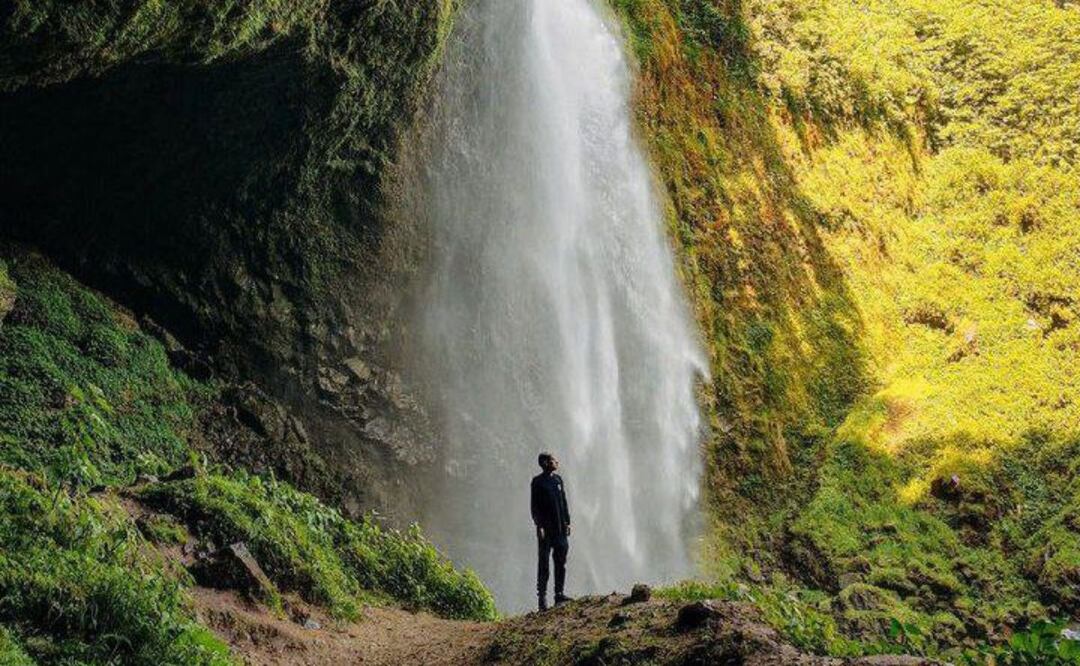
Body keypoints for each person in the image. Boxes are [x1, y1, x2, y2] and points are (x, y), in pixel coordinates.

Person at [530, 451, 572, 611]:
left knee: (561, 562)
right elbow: (534, 507)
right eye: (554, 460)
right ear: (546, 463)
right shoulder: (537, 482)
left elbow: (564, 502)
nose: (557, 462)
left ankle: (559, 594)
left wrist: (568, 522)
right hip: (546, 530)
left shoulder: (558, 480)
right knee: (544, 564)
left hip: (560, 528)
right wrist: (539, 525)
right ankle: (542, 598)